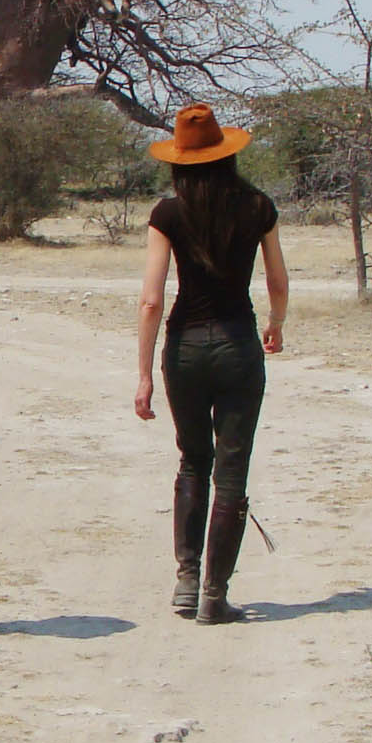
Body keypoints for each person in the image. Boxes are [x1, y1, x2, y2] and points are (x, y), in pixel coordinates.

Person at [134, 103, 289, 624]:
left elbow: (152, 299)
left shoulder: (167, 214)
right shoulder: (257, 206)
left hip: (184, 347)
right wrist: (277, 323)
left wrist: (142, 374)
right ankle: (214, 595)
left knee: (192, 460)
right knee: (232, 470)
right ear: (226, 157)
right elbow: (276, 279)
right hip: (238, 342)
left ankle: (185, 577)